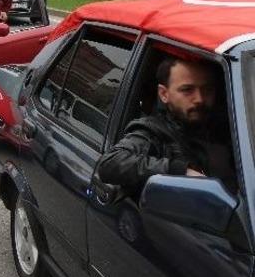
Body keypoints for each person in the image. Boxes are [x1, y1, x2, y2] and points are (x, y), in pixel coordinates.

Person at [98, 56, 235, 194]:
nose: (199, 99)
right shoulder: (153, 132)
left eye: (207, 89)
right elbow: (110, 164)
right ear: (164, 94)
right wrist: (179, 170)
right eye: (187, 90)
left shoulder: (232, 129)